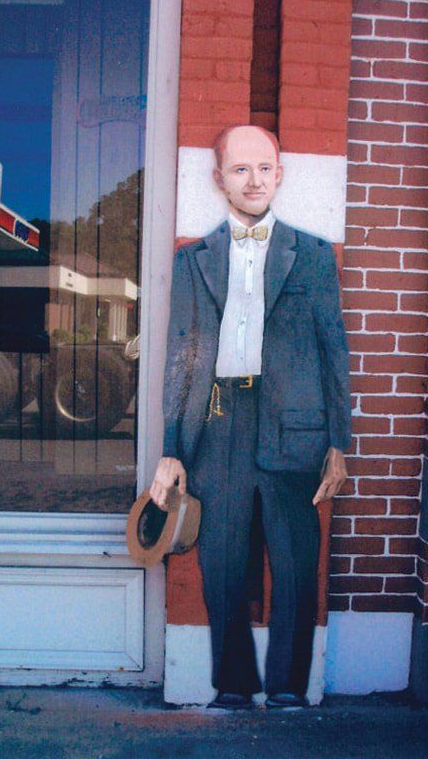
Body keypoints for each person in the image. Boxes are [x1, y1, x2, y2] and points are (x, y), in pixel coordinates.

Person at [150, 125, 351, 709]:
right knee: (223, 563)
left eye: (265, 167)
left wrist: (339, 440)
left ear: (280, 172)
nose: (254, 179)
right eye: (240, 169)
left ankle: (289, 687)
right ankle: (234, 685)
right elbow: (182, 356)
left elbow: (333, 350)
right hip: (219, 422)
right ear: (220, 180)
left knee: (293, 566)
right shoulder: (193, 262)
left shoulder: (312, 256)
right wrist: (172, 448)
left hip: (296, 425)